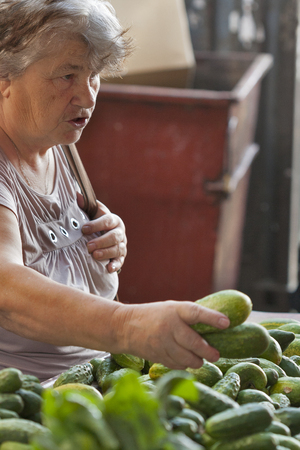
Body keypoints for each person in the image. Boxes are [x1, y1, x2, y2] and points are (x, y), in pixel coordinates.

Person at [0, 0, 230, 382]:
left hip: (96, 381)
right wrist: (129, 326)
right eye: (67, 76)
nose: (88, 97)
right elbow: (7, 291)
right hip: (28, 404)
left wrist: (104, 239)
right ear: (5, 76)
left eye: (94, 75)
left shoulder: (59, 145)